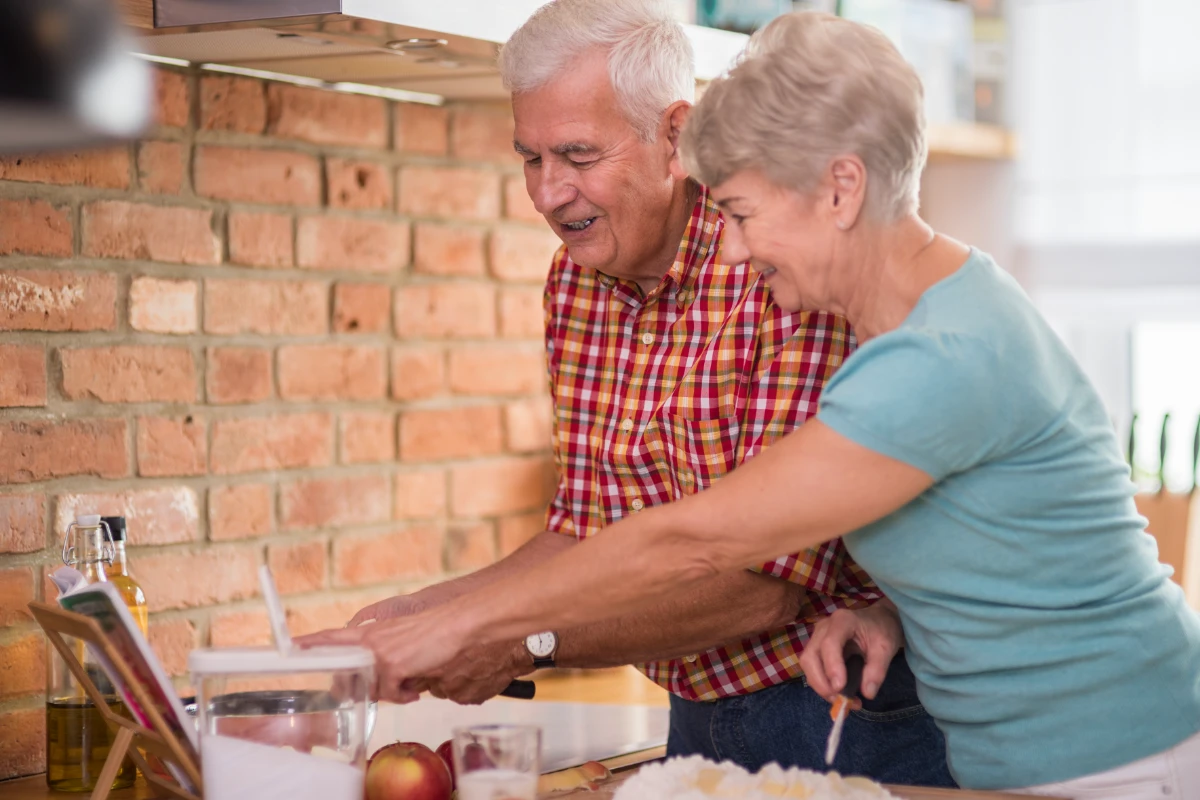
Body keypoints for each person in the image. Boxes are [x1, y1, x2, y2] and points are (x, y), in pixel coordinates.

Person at [306, 11, 1200, 798]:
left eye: (739, 212)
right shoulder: (911, 329)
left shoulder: (935, 358)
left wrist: (474, 628)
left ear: (841, 190)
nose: (727, 255)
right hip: (1042, 752)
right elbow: (1005, 544)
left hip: (1123, 755)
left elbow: (700, 539)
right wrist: (889, 610)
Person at [327, 0, 953, 787]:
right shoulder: (577, 283)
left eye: (578, 156)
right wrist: (421, 616)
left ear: (674, 136)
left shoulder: (786, 269)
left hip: (848, 709)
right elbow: (585, 529)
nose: (549, 194)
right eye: (530, 157)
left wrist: (515, 639)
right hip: (693, 713)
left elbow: (760, 589)